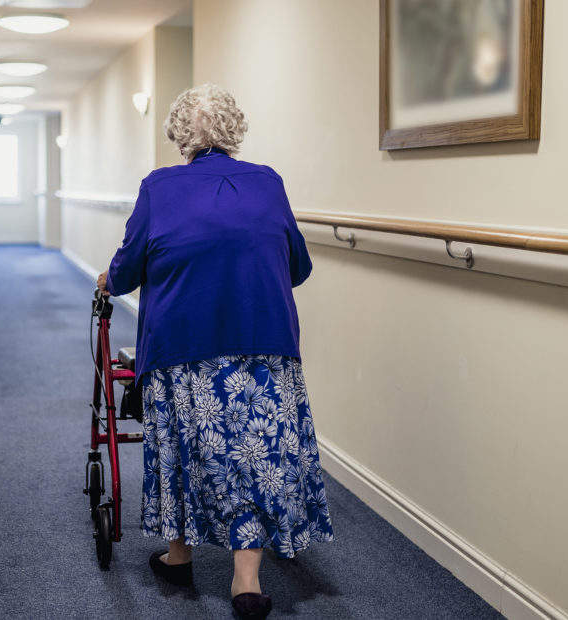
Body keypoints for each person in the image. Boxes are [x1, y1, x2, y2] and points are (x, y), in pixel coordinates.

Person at [97, 84, 333, 620]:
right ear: (233, 130)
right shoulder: (268, 182)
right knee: (254, 455)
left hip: (183, 345)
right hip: (263, 343)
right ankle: (246, 581)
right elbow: (298, 266)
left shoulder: (159, 187)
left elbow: (130, 268)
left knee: (186, 445)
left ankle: (180, 553)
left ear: (181, 135)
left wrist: (109, 279)